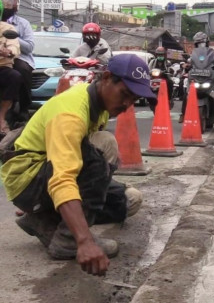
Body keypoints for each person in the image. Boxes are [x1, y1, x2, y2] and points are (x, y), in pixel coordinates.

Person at [1, 53, 156, 276]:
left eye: (133, 99)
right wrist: (85, 240)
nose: (127, 104)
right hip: (28, 177)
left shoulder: (98, 103)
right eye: (125, 94)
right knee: (97, 159)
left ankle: (41, 218)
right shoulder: (70, 114)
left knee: (128, 201)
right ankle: (67, 241)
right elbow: (63, 177)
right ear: (106, 78)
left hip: (44, 172)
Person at [0, 0, 34, 126]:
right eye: (3, 0)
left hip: (18, 58)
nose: (7, 3)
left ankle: (24, 107)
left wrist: (10, 41)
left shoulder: (22, 24)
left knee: (21, 69)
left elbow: (30, 47)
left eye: (10, 0)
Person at [0, 0, 22, 137]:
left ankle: (1, 117)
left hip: (2, 67)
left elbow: (14, 47)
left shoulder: (7, 29)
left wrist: (8, 52)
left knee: (16, 76)